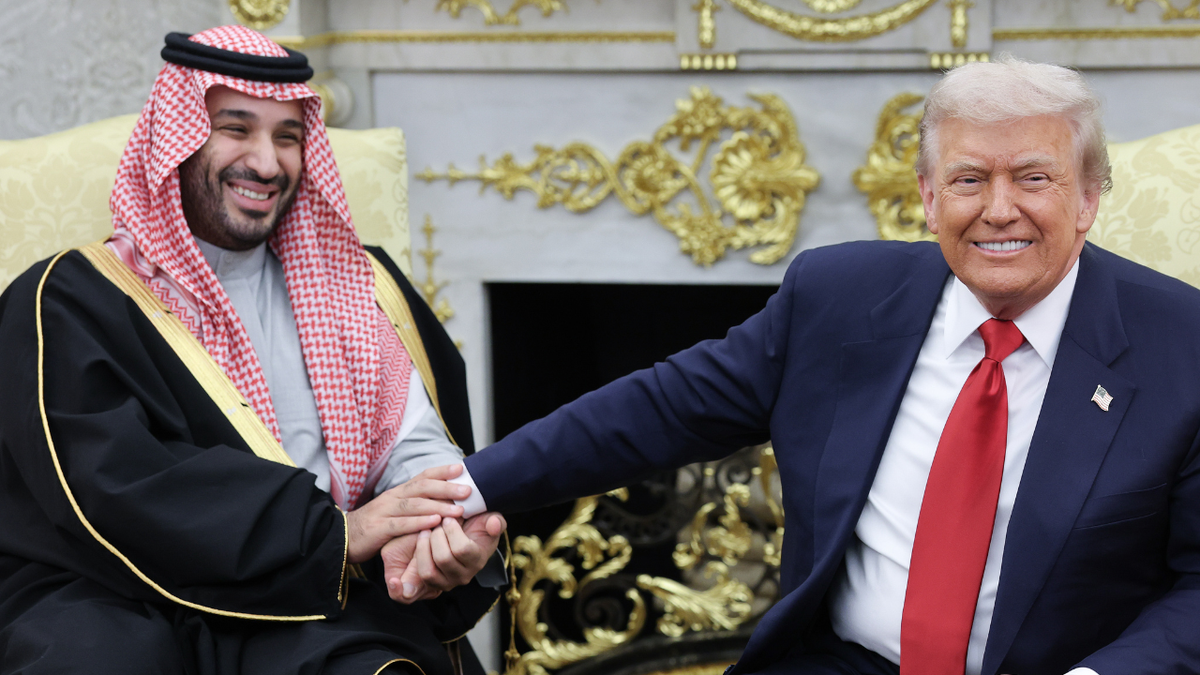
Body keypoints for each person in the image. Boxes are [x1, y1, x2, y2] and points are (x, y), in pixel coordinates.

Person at [435, 57, 1200, 675]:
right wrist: (466, 489)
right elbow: (660, 409)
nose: (999, 208)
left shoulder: (1183, 346)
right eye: (970, 180)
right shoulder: (839, 297)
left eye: (1034, 177)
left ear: (1090, 197)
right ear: (930, 199)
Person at [0, 26, 504, 675]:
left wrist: (438, 530)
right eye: (236, 128)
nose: (266, 164)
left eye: (288, 137)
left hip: (301, 593)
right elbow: (116, 484)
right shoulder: (67, 298)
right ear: (176, 139)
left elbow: (413, 448)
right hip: (108, 590)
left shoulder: (356, 284)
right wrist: (338, 534)